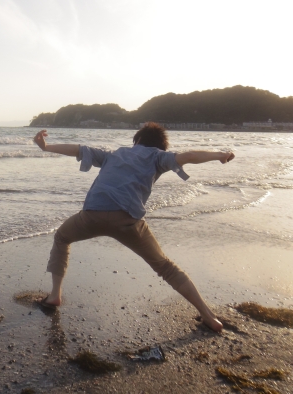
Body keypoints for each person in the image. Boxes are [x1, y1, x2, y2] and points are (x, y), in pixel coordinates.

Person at [33, 122, 235, 332]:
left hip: (93, 215)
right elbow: (190, 156)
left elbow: (79, 149)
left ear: (137, 140)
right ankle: (209, 316)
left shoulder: (114, 154)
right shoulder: (158, 157)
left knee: (62, 238)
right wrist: (220, 155)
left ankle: (55, 295)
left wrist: (46, 147)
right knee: (166, 267)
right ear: (160, 145)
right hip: (128, 221)